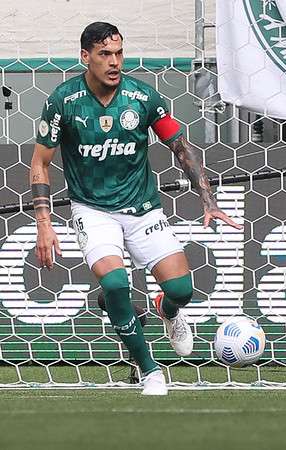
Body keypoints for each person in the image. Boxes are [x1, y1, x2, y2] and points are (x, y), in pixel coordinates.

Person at [30, 22, 242, 395]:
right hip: (92, 210)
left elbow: (181, 146)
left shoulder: (143, 97)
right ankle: (151, 371)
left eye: (119, 53)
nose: (115, 62)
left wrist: (208, 199)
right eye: (105, 55)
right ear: (85, 57)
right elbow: (40, 164)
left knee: (182, 289)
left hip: (143, 208)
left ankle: (168, 308)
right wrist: (44, 224)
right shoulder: (62, 101)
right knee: (115, 284)